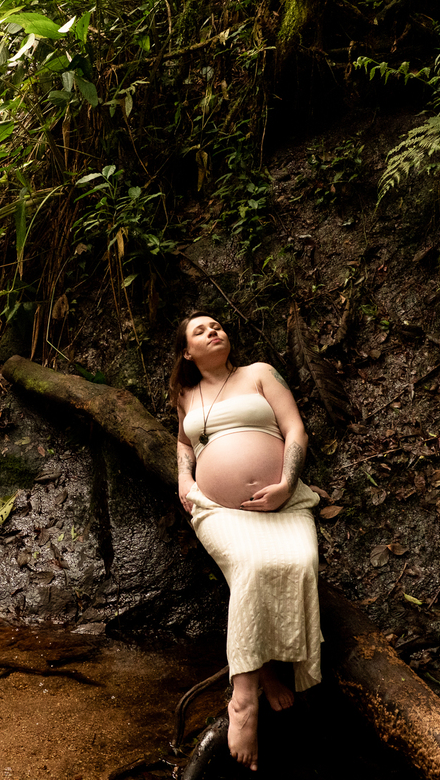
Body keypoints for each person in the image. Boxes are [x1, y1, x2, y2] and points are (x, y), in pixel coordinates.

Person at [170, 311, 322, 772]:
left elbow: (295, 428)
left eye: (216, 326)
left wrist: (285, 484)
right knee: (252, 568)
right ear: (187, 352)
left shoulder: (259, 374)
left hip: (283, 500)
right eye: (200, 330)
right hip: (218, 509)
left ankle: (273, 666)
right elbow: (183, 442)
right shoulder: (186, 393)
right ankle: (244, 699)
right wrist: (183, 476)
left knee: (300, 563)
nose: (213, 331)